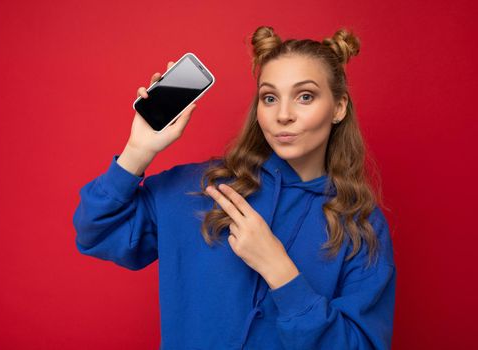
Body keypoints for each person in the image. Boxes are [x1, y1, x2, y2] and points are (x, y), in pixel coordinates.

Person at [73, 25, 396, 350]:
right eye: (269, 98)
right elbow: (96, 232)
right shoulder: (198, 188)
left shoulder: (361, 224)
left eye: (305, 96)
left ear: (338, 107)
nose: (283, 115)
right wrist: (138, 150)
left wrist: (281, 272)